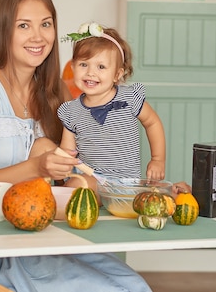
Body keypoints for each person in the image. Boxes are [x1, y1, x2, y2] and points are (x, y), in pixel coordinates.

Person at [0, 0, 154, 292]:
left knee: (135, 287)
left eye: (46, 24)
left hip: (47, 237)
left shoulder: (52, 89)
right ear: (2, 30)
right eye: (23, 25)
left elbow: (74, 170)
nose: (38, 36)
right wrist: (37, 168)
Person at [56, 22, 166, 189]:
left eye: (101, 67)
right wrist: (61, 167)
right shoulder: (71, 111)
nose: (90, 72)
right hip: (94, 180)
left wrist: (158, 159)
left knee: (163, 195)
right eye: (83, 65)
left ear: (117, 74)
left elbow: (152, 123)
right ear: (73, 67)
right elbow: (67, 152)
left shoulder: (129, 98)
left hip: (127, 184)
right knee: (76, 186)